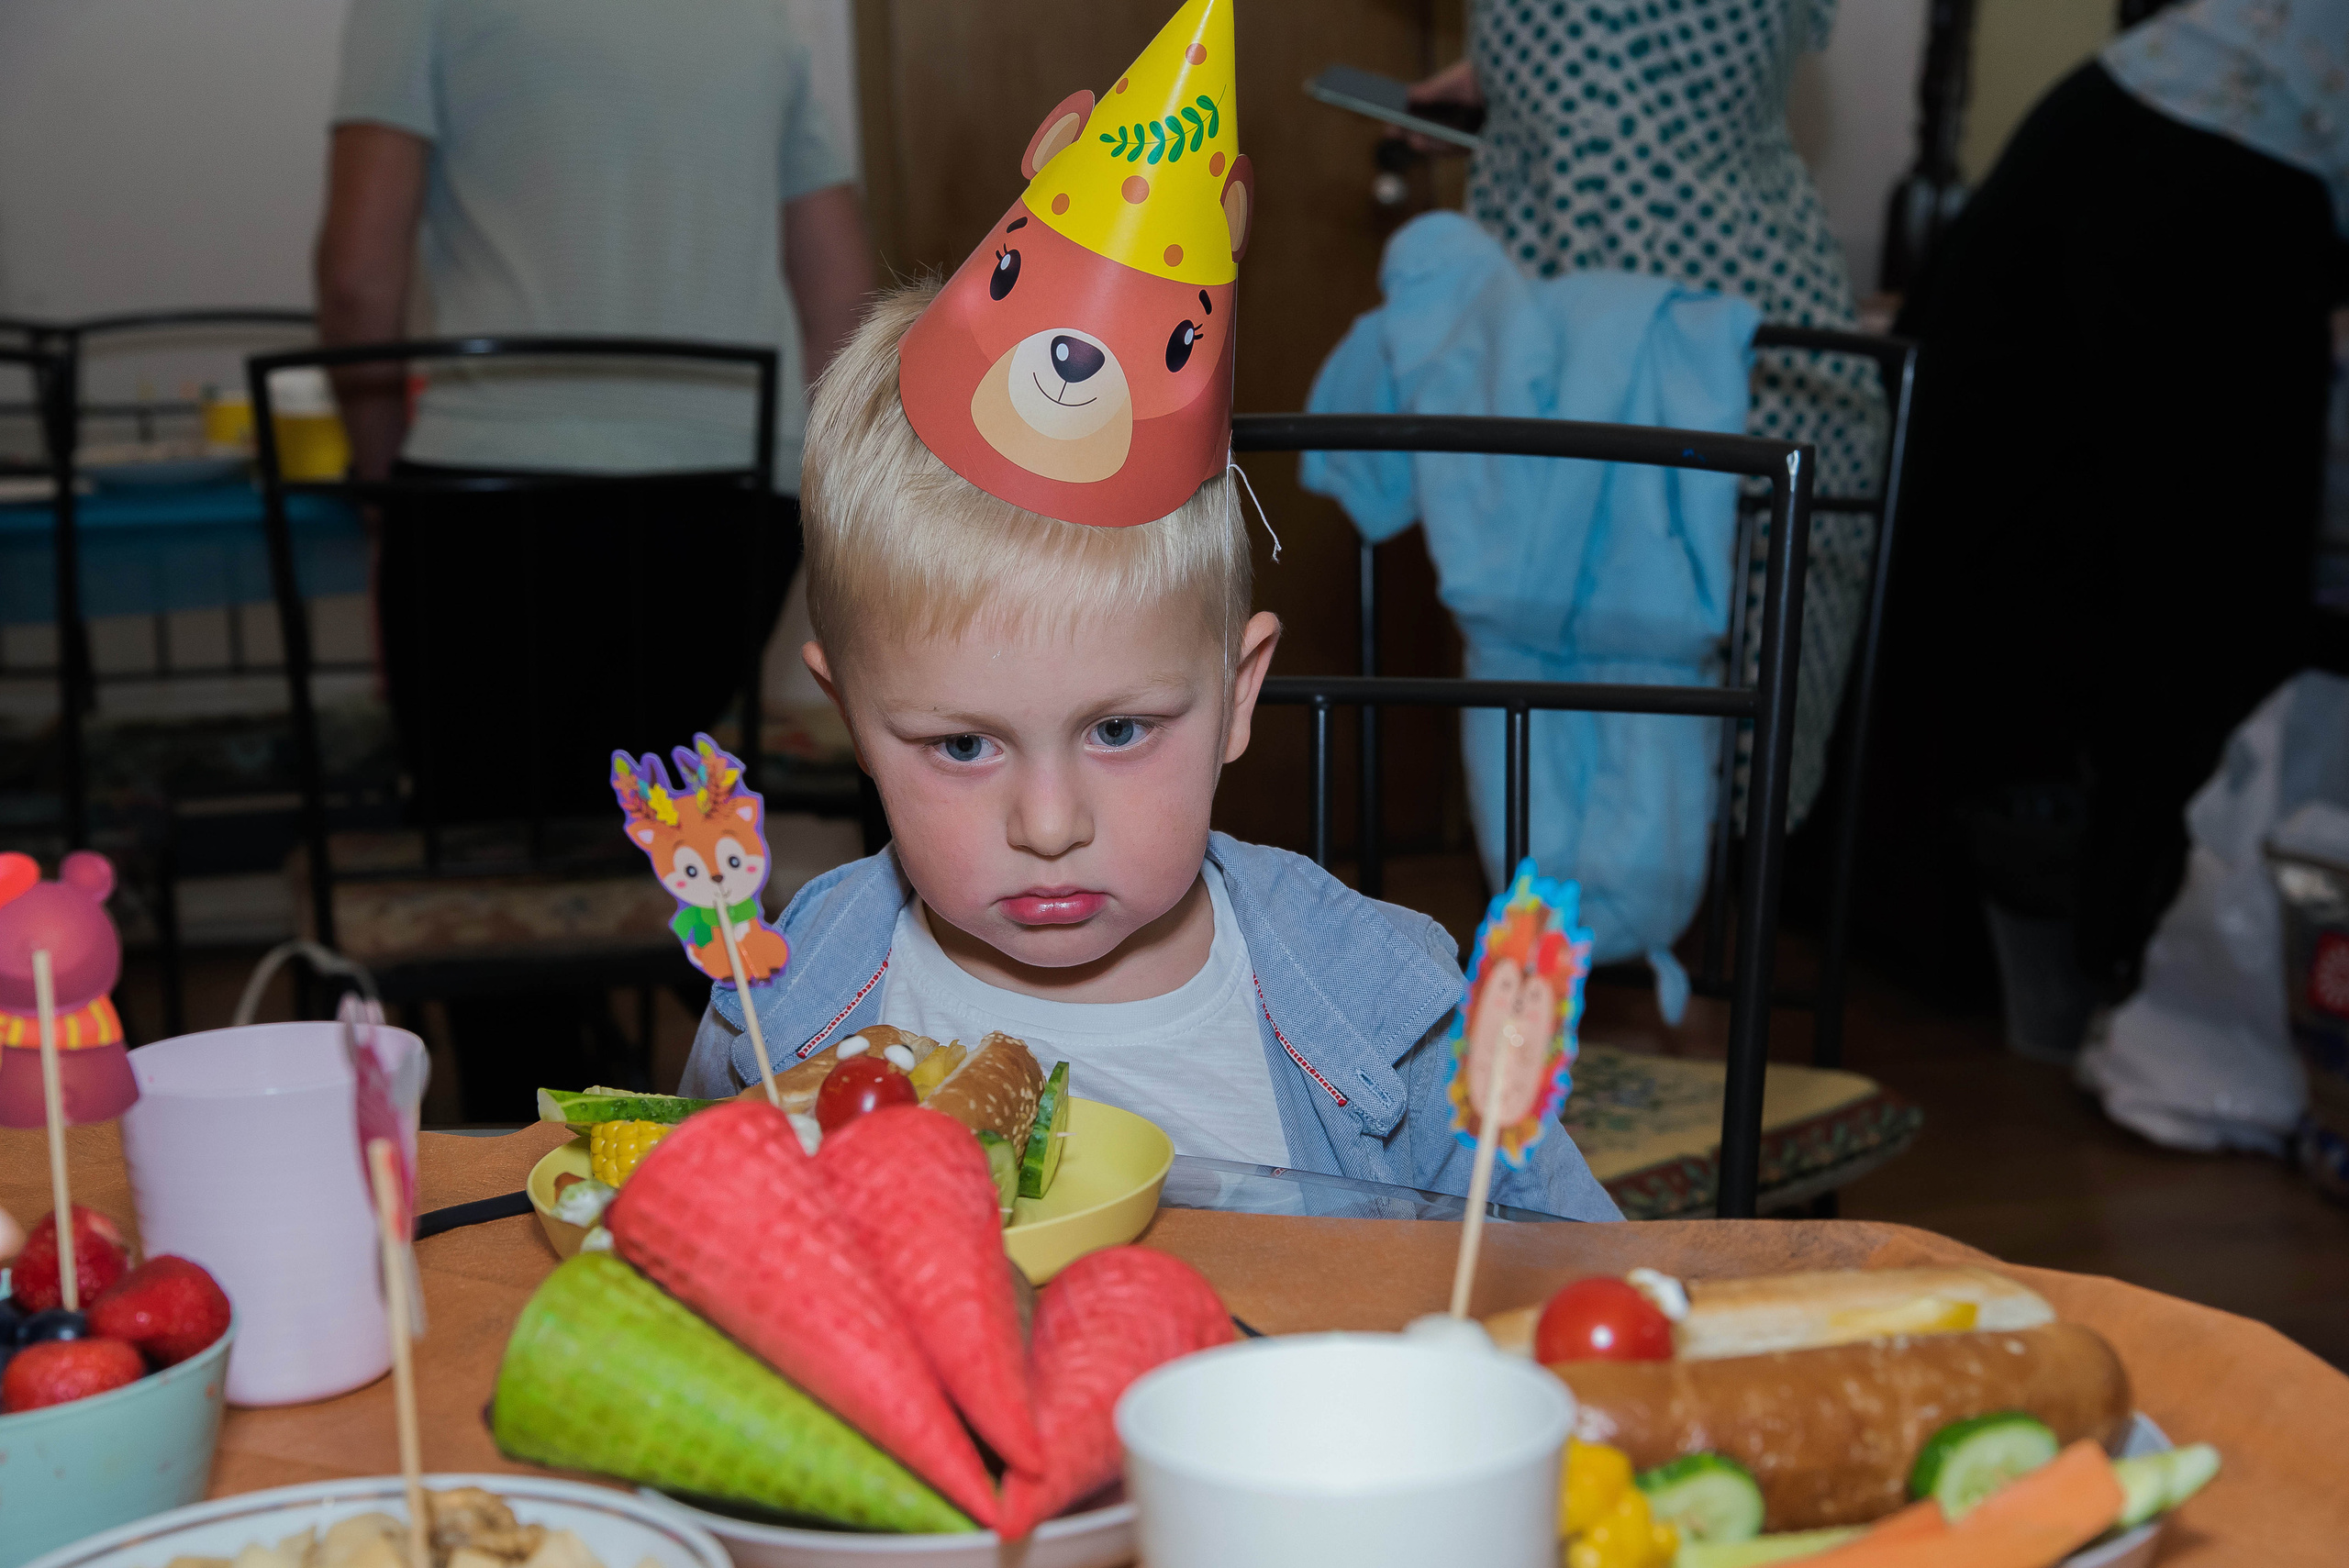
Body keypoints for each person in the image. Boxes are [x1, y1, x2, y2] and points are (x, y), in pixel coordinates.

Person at [680, 0, 1618, 1219]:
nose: (1050, 824)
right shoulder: (780, 1008)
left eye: (1120, 729)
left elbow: (1566, 1266)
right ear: (849, 712)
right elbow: (691, 1250)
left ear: (1237, 693)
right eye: (961, 745)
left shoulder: (1382, 1010)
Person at [315, 0, 874, 1117]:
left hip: (490, 498)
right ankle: (688, 1075)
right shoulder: (759, 17)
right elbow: (841, 306)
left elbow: (358, 280)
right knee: (639, 802)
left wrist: (382, 489)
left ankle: (535, 1119)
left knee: (493, 834)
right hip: (731, 507)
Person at [1869, 0, 2349, 1013]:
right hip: (2220, 177)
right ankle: (2131, 968)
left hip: (2118, 121)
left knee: (1993, 552)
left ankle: (1963, 939)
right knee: (2207, 624)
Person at [1405, 1, 1887, 828]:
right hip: (1738, 353)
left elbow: (1608, 75)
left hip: (1692, 377)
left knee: (1635, 781)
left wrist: (1542, 80)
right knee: (1636, 780)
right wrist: (1515, 86)